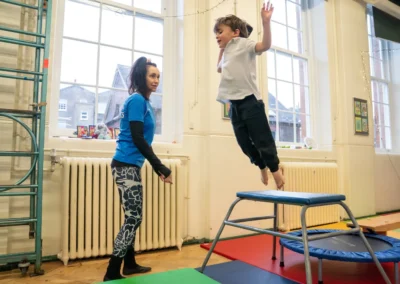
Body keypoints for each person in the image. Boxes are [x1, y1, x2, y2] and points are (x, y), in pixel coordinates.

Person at [103, 57, 173, 281]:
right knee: (133, 218)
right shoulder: (136, 100)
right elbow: (137, 137)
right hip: (125, 165)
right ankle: (112, 272)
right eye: (152, 75)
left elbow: (142, 140)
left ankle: (130, 264)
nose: (156, 80)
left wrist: (154, 167)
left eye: (158, 76)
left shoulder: (144, 102)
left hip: (131, 165)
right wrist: (159, 166)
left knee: (132, 216)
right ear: (141, 77)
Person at [214, 2, 285, 188]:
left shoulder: (243, 44)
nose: (217, 35)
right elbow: (218, 68)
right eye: (216, 32)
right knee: (244, 143)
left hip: (250, 101)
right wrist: (222, 49)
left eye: (220, 31)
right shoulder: (227, 52)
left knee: (262, 139)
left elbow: (265, 45)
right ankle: (261, 165)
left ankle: (276, 171)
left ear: (235, 33)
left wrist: (266, 22)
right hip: (235, 106)